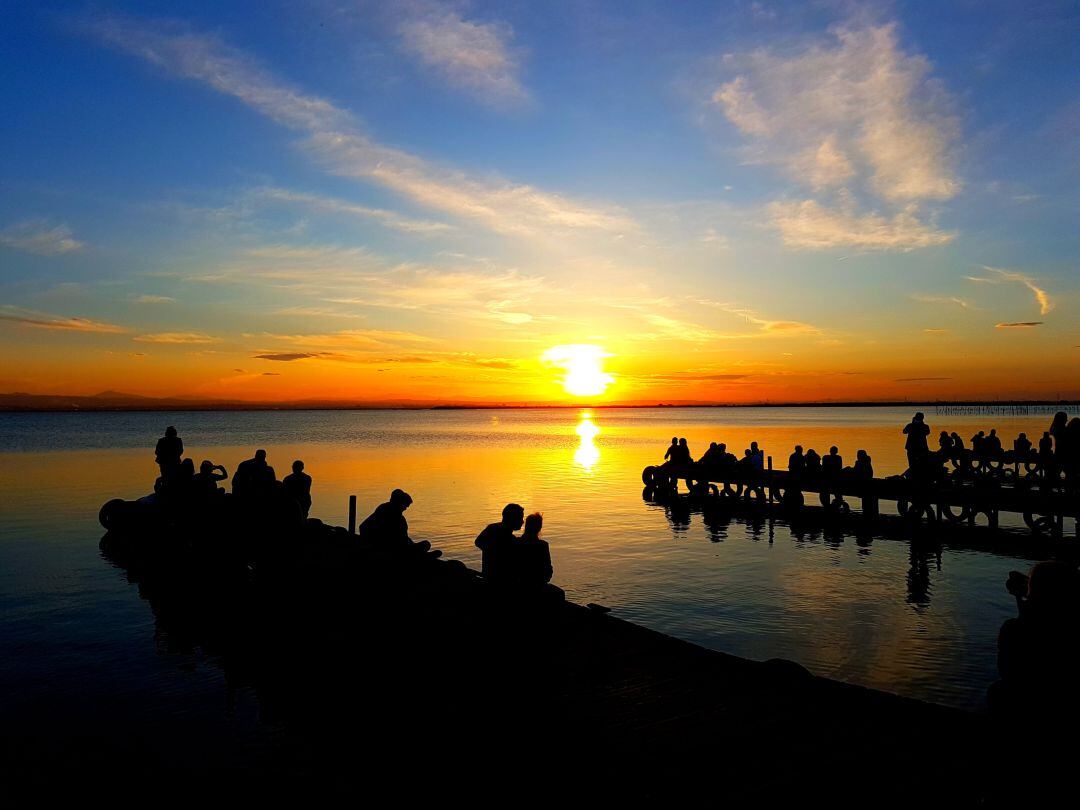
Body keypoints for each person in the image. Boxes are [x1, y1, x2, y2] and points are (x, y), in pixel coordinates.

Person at [992, 561, 1080, 715]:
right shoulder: (1070, 632)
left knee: (996, 690)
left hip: (1023, 700)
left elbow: (1006, 672)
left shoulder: (1013, 629)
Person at [358, 489, 429, 551]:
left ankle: (414, 550)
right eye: (405, 506)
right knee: (425, 544)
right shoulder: (389, 513)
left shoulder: (384, 509)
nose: (405, 509)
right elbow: (398, 537)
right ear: (399, 503)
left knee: (424, 544)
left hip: (386, 543)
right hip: (386, 546)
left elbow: (403, 536)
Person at [475, 503, 524, 583]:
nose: (522, 521)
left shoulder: (492, 528)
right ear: (512, 519)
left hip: (489, 576)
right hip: (499, 580)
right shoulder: (510, 539)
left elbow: (478, 542)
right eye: (520, 518)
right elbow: (478, 542)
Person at [516, 512, 553, 587]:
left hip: (519, 583)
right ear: (539, 527)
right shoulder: (543, 546)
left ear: (526, 526)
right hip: (538, 584)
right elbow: (548, 570)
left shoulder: (516, 542)